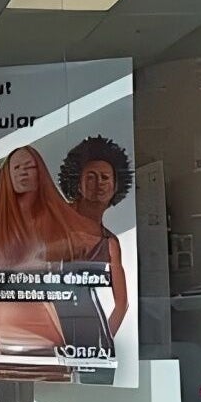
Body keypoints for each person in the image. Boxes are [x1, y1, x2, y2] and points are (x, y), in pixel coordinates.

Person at [0, 145, 102, 358]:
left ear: (40, 173)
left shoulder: (55, 225)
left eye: (29, 167)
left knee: (47, 374)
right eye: (17, 168)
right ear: (8, 176)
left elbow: (90, 249)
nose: (23, 172)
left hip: (46, 326)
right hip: (0, 329)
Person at [57, 136, 132, 336]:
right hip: (43, 329)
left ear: (115, 186)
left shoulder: (110, 243)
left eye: (105, 177)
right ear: (78, 183)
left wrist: (104, 340)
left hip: (87, 330)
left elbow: (122, 303)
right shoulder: (56, 220)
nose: (98, 183)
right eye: (91, 177)